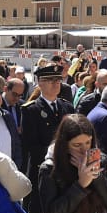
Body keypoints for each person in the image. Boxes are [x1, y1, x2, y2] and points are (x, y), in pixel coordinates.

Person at [19, 64, 75, 195]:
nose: (56, 83)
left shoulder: (67, 107)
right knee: (36, 210)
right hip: (41, 169)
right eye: (51, 80)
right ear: (40, 83)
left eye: (58, 79)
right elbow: (30, 145)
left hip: (65, 169)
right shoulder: (30, 110)